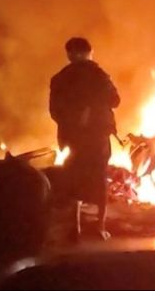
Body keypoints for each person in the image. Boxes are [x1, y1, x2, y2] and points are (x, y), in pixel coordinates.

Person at [49, 37, 120, 240]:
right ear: (88, 52)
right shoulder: (98, 75)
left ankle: (75, 228)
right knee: (99, 178)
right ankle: (99, 227)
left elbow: (54, 111)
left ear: (70, 54)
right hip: (97, 136)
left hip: (71, 138)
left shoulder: (60, 78)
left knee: (74, 178)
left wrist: (71, 124)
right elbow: (115, 100)